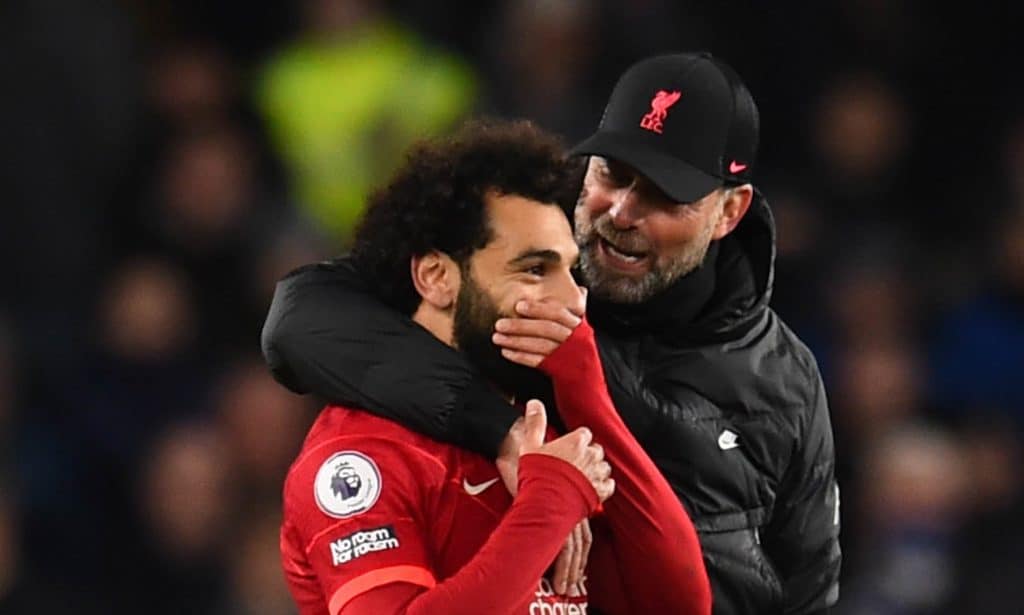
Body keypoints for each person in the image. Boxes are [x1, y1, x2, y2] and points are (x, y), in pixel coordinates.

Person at [265, 52, 840, 614]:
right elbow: (299, 318)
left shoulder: (785, 377)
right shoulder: (495, 277)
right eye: (611, 174)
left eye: (665, 195)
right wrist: (511, 436)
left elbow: (766, 591)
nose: (619, 212)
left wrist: (583, 403)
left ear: (730, 212)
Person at [277, 119, 711, 614]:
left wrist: (589, 399)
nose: (574, 301)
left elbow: (677, 604)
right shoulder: (361, 454)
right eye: (534, 270)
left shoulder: (546, 439)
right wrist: (547, 507)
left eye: (572, 271)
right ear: (437, 277)